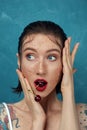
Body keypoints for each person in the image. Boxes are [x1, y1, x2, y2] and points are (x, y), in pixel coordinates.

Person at [0, 21, 87, 130]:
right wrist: (38, 120)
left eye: (51, 57)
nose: (41, 70)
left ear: (65, 63)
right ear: (19, 61)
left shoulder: (84, 115)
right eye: (30, 56)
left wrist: (68, 90)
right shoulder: (3, 118)